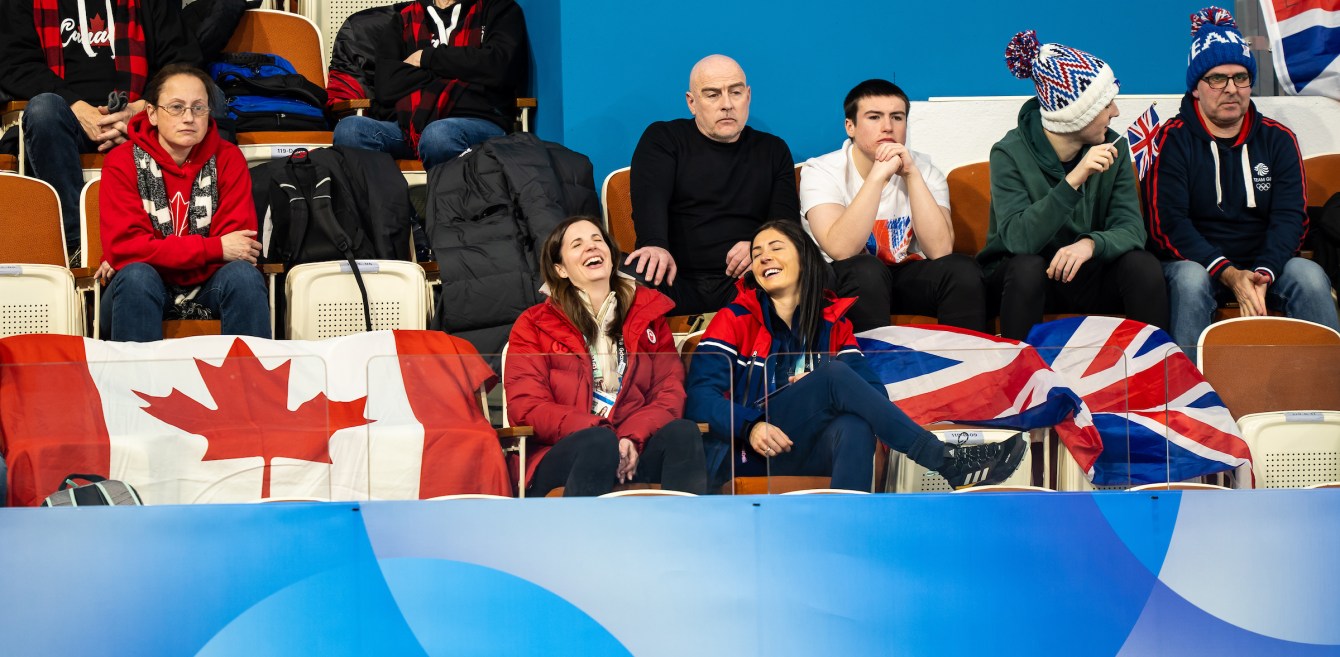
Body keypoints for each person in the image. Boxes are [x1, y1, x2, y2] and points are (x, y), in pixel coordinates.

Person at [685, 220, 1026, 491]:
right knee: (833, 375)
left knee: (854, 422)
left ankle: (850, 529)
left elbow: (872, 396)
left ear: (805, 260)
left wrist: (820, 390)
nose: (764, 258)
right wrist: (752, 425)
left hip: (804, 448)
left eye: (776, 248)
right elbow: (699, 398)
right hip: (746, 450)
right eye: (757, 253)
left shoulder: (835, 324)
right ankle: (946, 461)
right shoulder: (734, 318)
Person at [1145, 6, 1340, 347]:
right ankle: (1191, 398)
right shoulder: (1171, 140)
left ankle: (1327, 392)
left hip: (1265, 264)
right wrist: (1227, 272)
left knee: (1308, 275)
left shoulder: (1278, 139)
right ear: (1196, 87)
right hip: (1197, 263)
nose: (1231, 89)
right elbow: (1168, 224)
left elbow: (1290, 218)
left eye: (1241, 77)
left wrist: (1264, 272)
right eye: (1217, 78)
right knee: (1190, 281)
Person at [978, 31, 1169, 341]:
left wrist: (1090, 244)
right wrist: (1074, 180)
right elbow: (1018, 239)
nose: (1116, 112)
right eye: (1107, 104)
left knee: (1143, 266)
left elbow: (1131, 229)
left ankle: (1153, 376)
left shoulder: (1113, 148)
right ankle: (1021, 382)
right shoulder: (1008, 152)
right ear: (1078, 113)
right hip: (1025, 277)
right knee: (1027, 267)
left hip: (1087, 273)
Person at [505, 216, 707, 497]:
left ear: (612, 256)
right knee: (597, 442)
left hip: (632, 447)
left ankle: (684, 534)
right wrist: (601, 432)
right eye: (577, 244)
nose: (591, 247)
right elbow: (527, 407)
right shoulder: (533, 324)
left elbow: (669, 392)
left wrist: (630, 438)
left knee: (683, 433)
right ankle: (582, 540)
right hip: (563, 451)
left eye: (597, 240)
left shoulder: (650, 316)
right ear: (560, 269)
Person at [0, 0, 200, 259]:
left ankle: (171, 246)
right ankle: (76, 246)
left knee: (192, 109)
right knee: (43, 110)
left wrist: (142, 109)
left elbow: (182, 61)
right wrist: (77, 107)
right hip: (67, 119)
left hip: (141, 118)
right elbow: (14, 64)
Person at [799, 79, 987, 333]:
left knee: (962, 270)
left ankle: (966, 368)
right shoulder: (821, 171)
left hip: (902, 276)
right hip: (844, 279)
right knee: (866, 269)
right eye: (874, 117)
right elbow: (841, 249)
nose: (887, 127)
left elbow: (941, 250)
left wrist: (912, 176)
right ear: (850, 126)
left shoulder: (925, 171)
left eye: (897, 117)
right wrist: (878, 176)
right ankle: (868, 371)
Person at [99, 64, 269, 342]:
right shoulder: (121, 160)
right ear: (152, 114)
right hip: (142, 289)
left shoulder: (229, 158)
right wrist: (215, 248)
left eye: (199, 108)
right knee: (138, 277)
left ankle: (249, 383)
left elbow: (240, 248)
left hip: (208, 288)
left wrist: (149, 251)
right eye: (176, 107)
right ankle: (137, 386)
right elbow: (126, 249)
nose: (189, 117)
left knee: (243, 277)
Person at [626, 54, 799, 316]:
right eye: (712, 94)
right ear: (692, 102)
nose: (727, 104)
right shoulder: (664, 139)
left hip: (748, 282)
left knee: (809, 272)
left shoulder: (773, 150)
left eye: (736, 92)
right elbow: (649, 204)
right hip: (673, 279)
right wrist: (655, 245)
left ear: (748, 96)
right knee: (611, 273)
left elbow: (785, 226)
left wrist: (759, 246)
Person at [330, 0, 528, 171]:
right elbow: (387, 86)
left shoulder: (500, 9)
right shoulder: (403, 20)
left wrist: (426, 57)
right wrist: (462, 70)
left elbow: (498, 67)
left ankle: (450, 211)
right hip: (409, 127)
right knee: (350, 130)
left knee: (438, 136)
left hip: (478, 120)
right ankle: (393, 210)